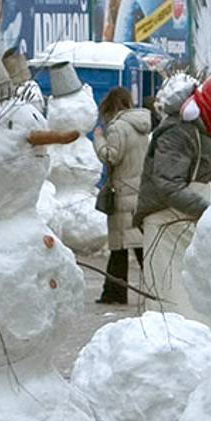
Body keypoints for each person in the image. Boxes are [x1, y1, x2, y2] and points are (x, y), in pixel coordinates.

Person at [133, 73, 211, 317]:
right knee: (169, 297)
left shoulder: (201, 129)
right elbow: (168, 185)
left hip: (184, 216)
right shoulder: (178, 132)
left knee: (190, 293)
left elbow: (205, 167)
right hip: (165, 220)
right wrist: (206, 211)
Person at [92, 86, 151, 304]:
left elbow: (111, 156)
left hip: (123, 191)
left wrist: (99, 139)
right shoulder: (141, 126)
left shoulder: (118, 127)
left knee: (125, 244)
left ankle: (116, 293)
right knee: (131, 244)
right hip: (137, 189)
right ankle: (116, 291)